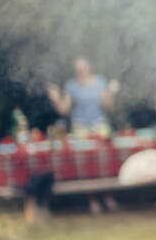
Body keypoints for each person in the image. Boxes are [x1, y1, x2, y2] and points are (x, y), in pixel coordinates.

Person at [47, 56, 120, 213]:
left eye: (83, 67)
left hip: (99, 126)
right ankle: (92, 200)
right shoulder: (71, 86)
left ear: (89, 67)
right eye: (78, 68)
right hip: (80, 128)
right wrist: (56, 98)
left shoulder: (100, 82)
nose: (81, 70)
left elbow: (107, 107)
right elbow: (63, 110)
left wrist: (110, 93)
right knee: (86, 163)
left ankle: (108, 196)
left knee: (105, 160)